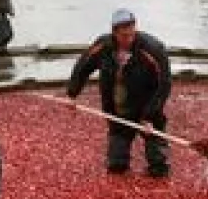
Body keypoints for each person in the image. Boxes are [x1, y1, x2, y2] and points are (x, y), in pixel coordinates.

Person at [66, 9, 173, 177]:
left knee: (159, 164)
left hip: (148, 105)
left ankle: (157, 163)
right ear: (114, 32)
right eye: (124, 36)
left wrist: (149, 116)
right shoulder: (103, 46)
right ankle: (120, 161)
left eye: (131, 34)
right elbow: (83, 66)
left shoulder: (153, 49)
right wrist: (72, 94)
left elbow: (164, 84)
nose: (129, 39)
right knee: (116, 165)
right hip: (118, 108)